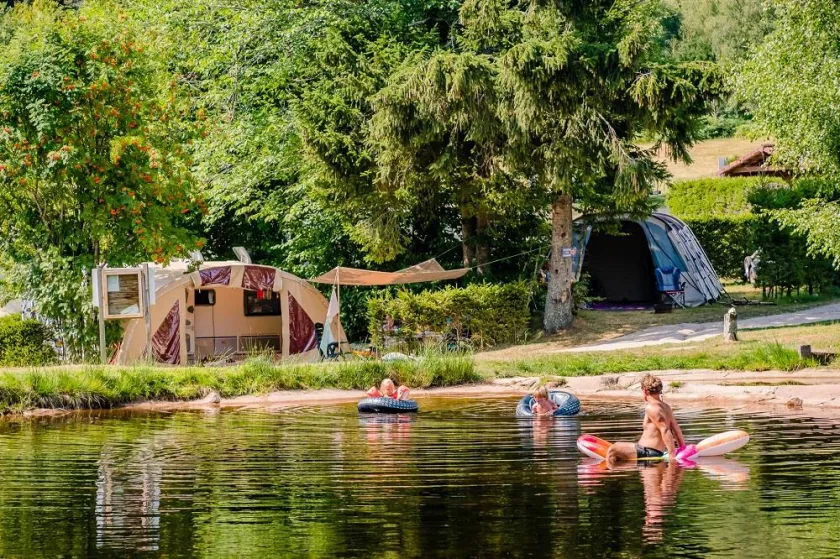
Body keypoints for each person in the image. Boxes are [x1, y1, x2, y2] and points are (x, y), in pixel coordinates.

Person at [606, 374, 685, 465]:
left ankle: (605, 470)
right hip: (651, 450)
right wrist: (683, 448)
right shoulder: (666, 407)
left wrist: (672, 455)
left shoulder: (651, 408)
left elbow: (665, 430)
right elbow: (676, 429)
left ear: (645, 391)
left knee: (613, 449)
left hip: (647, 451)